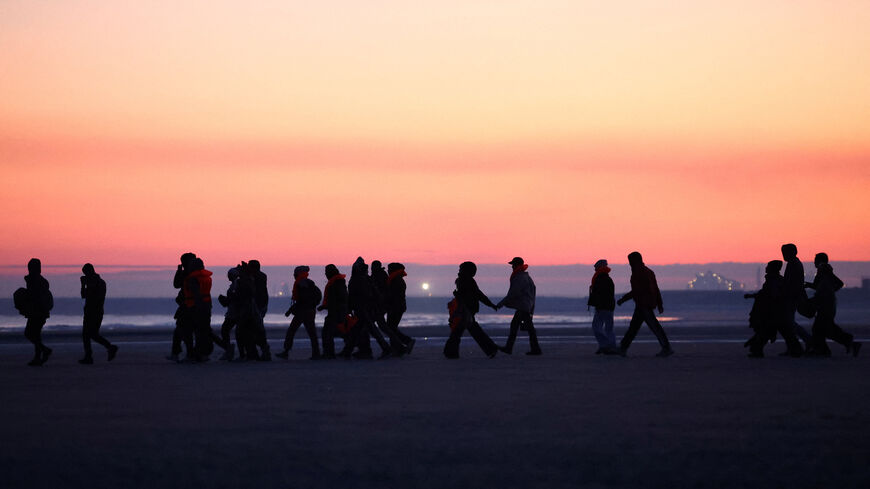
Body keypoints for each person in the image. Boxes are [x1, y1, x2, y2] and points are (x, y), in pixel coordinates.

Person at [616, 252, 673, 357]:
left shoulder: (639, 273)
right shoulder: (648, 271)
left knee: (653, 327)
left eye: (630, 261)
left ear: (635, 261)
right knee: (635, 327)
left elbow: (637, 290)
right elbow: (656, 289)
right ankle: (623, 348)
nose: (629, 264)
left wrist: (623, 299)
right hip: (645, 304)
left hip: (644, 304)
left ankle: (666, 348)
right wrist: (659, 304)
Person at [804, 253, 862, 357]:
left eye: (816, 259)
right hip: (827, 305)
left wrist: (828, 295)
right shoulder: (823, 272)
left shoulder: (824, 269)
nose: (814, 262)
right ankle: (847, 343)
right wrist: (810, 286)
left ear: (821, 261)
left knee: (819, 328)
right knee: (826, 328)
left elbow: (834, 285)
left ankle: (823, 350)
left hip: (826, 306)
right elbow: (823, 286)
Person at [743, 260, 802, 358]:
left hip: (773, 311)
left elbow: (769, 295)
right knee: (784, 332)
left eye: (768, 266)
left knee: (768, 332)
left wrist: (754, 297)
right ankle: (796, 350)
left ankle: (757, 350)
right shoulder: (777, 280)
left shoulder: (773, 280)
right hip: (777, 310)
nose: (766, 268)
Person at [443, 261, 499, 359]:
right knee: (471, 330)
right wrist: (490, 304)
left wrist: (490, 304)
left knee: (458, 331)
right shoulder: (467, 280)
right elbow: (477, 295)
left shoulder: (464, 280)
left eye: (461, 269)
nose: (459, 271)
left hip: (465, 310)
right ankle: (491, 349)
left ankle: (451, 353)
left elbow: (473, 295)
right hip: (467, 309)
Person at [346, 257, 392, 359]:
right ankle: (358, 350)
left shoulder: (361, 280)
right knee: (362, 330)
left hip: (363, 309)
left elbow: (357, 295)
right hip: (363, 308)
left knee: (367, 330)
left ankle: (382, 349)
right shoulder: (364, 279)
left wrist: (351, 306)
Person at [496, 257, 541, 355]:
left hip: (523, 306)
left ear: (517, 265)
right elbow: (533, 291)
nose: (512, 266)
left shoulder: (519, 277)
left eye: (513, 264)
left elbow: (513, 293)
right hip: (527, 305)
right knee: (525, 327)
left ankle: (510, 348)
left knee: (519, 326)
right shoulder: (526, 277)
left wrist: (500, 304)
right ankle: (534, 349)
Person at [277, 266, 322, 360]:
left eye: (295, 273)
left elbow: (302, 300)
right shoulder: (307, 282)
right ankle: (316, 353)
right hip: (309, 311)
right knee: (311, 333)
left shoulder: (302, 283)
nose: (294, 275)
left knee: (292, 330)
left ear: (298, 273)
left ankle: (286, 352)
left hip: (303, 311)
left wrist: (291, 310)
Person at [79, 263, 118, 364]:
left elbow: (92, 296)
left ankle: (92, 355)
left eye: (86, 273)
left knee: (90, 334)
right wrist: (83, 285)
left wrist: (85, 285)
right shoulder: (94, 282)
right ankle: (105, 349)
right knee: (90, 334)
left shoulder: (99, 283)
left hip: (95, 312)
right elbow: (83, 295)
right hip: (91, 311)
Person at [781, 243, 813, 351]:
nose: (783, 255)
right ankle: (801, 343)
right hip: (793, 297)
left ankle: (806, 341)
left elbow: (791, 283)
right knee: (789, 322)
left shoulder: (793, 264)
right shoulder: (794, 263)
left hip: (792, 298)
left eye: (785, 253)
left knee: (788, 322)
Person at [22, 258, 53, 366]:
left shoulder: (35, 281)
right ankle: (37, 357)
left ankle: (44, 350)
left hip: (37, 312)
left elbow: (35, 297)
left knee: (29, 333)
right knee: (36, 334)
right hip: (40, 312)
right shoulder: (39, 280)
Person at [168, 252, 197, 362]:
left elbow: (177, 284)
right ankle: (177, 352)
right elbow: (177, 285)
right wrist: (179, 271)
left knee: (186, 331)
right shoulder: (188, 273)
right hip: (188, 306)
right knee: (181, 331)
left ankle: (190, 354)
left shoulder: (191, 274)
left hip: (189, 307)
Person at [587, 259, 618, 355]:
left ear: (600, 267)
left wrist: (598, 305)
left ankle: (606, 346)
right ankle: (609, 346)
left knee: (597, 327)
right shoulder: (605, 278)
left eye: (596, 267)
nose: (595, 269)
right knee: (607, 328)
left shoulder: (601, 278)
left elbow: (600, 295)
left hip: (603, 307)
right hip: (607, 307)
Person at [318, 264, 348, 359]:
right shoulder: (337, 282)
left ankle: (329, 353)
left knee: (328, 332)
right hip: (336, 311)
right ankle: (347, 348)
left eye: (327, 272)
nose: (325, 274)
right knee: (336, 331)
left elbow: (337, 298)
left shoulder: (336, 282)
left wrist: (328, 306)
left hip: (336, 312)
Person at [386, 262, 415, 354]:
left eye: (389, 269)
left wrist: (391, 306)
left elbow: (395, 296)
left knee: (391, 328)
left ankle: (406, 342)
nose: (388, 271)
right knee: (391, 327)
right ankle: (397, 348)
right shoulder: (396, 279)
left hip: (396, 307)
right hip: (398, 306)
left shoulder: (396, 280)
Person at [216, 267, 240, 361]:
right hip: (233, 312)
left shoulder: (236, 285)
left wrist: (226, 300)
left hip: (234, 313)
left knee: (225, 330)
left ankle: (229, 350)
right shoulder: (234, 285)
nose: (228, 277)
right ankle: (229, 349)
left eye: (229, 275)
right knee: (226, 330)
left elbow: (234, 298)